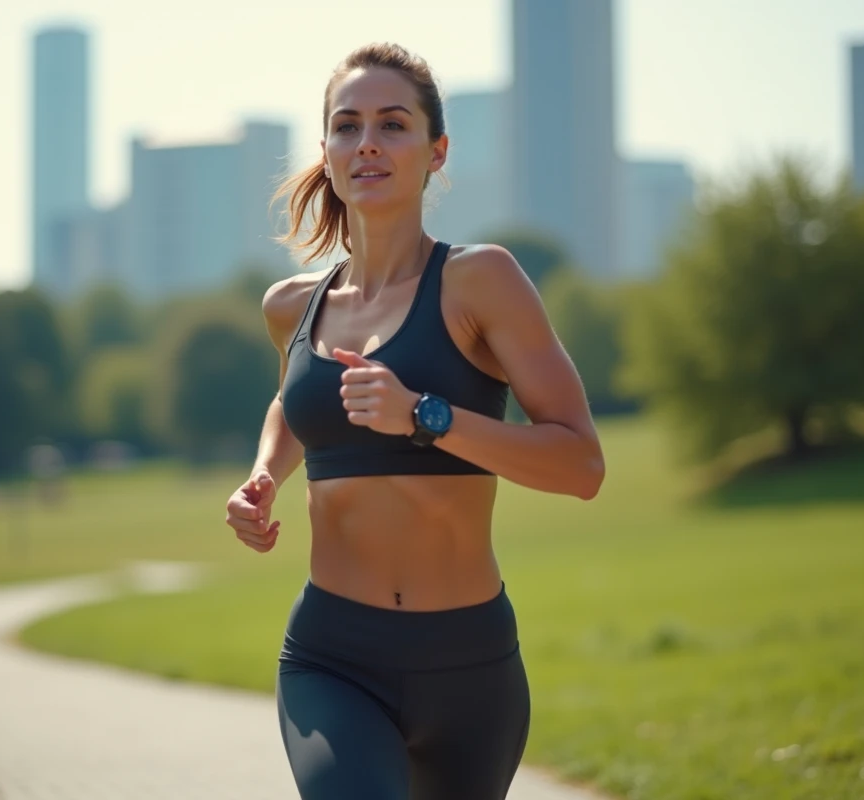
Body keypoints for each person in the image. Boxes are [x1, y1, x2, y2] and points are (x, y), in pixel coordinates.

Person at [224, 42, 605, 800]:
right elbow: (293, 403)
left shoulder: (480, 281)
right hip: (332, 657)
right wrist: (264, 472)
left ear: (436, 152)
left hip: (468, 666)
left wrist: (424, 416)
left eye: (393, 125)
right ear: (327, 151)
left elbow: (580, 466)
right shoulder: (291, 308)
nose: (367, 142)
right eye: (347, 125)